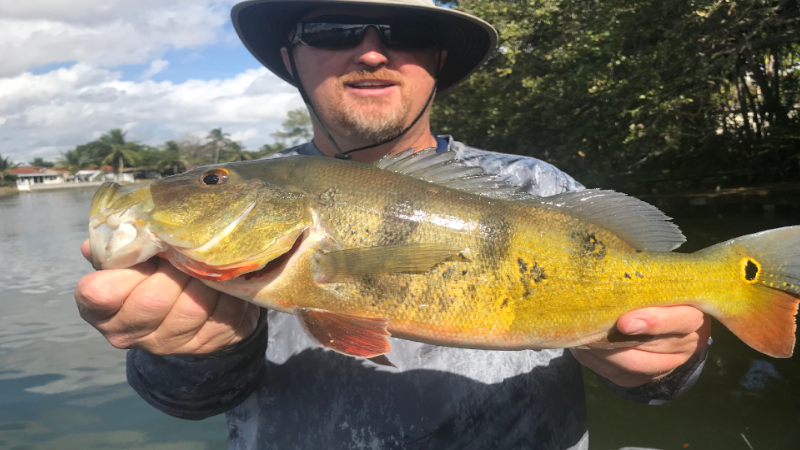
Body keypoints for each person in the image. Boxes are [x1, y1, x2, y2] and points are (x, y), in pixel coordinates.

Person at [75, 1, 712, 448]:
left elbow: (653, 385)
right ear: (290, 55)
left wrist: (665, 362)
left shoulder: (537, 189)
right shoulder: (221, 226)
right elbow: (186, 403)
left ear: (437, 57)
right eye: (333, 29)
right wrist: (196, 352)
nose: (372, 51)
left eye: (403, 32)